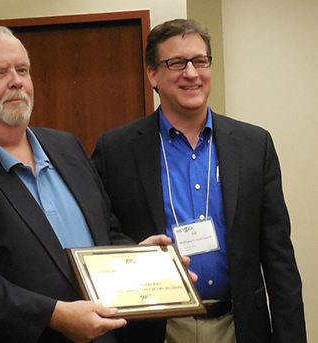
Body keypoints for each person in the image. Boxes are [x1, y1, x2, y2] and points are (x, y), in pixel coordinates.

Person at [0, 26, 172, 343]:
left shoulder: (66, 148)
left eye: (23, 70)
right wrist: (53, 316)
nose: (16, 81)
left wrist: (134, 259)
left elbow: (105, 233)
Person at [91, 19, 307, 343]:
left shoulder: (253, 145)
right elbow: (101, 237)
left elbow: (279, 259)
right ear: (152, 74)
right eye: (176, 63)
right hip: (157, 329)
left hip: (239, 327)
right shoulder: (116, 150)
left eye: (200, 61)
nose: (191, 73)